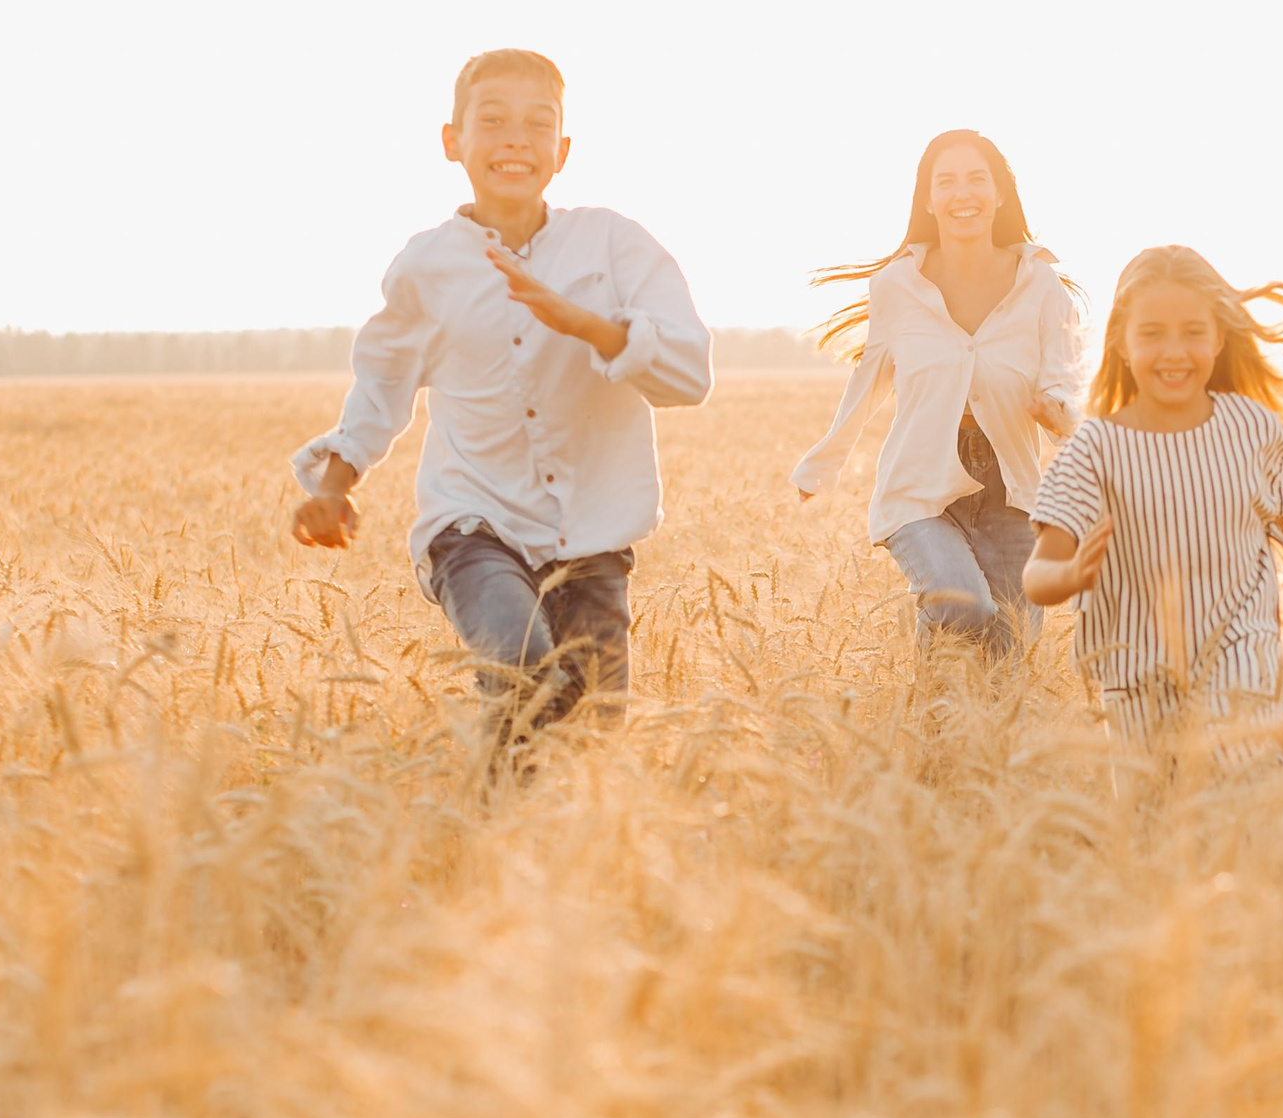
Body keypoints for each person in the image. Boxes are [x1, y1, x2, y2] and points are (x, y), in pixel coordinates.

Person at [288, 48, 712, 740]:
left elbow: (690, 374)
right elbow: (384, 378)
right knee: (525, 673)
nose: (516, 138)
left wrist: (587, 326)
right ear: (452, 142)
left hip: (596, 538)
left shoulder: (614, 245)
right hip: (474, 527)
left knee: (592, 740)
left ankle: (508, 830)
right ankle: (488, 826)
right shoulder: (429, 264)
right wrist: (335, 484)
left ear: (562, 150)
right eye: (493, 120)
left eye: (537, 124)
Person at [1023, 245, 1283, 754]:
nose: (1174, 351)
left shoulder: (1252, 428)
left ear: (1219, 337)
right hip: (1134, 682)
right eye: (1152, 333)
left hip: (1243, 667)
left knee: (1241, 797)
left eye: (1193, 332)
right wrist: (1068, 575)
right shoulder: (1093, 450)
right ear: (1122, 342)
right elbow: (1038, 575)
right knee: (1154, 824)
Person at [791, 130, 1081, 661]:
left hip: (1010, 488)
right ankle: (932, 665)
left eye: (977, 179)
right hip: (919, 485)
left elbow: (1061, 376)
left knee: (1006, 656)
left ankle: (941, 738)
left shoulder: (1041, 286)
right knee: (963, 608)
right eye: (945, 182)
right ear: (927, 199)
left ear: (999, 195)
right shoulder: (897, 288)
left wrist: (1058, 411)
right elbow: (869, 379)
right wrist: (821, 466)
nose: (961, 194)